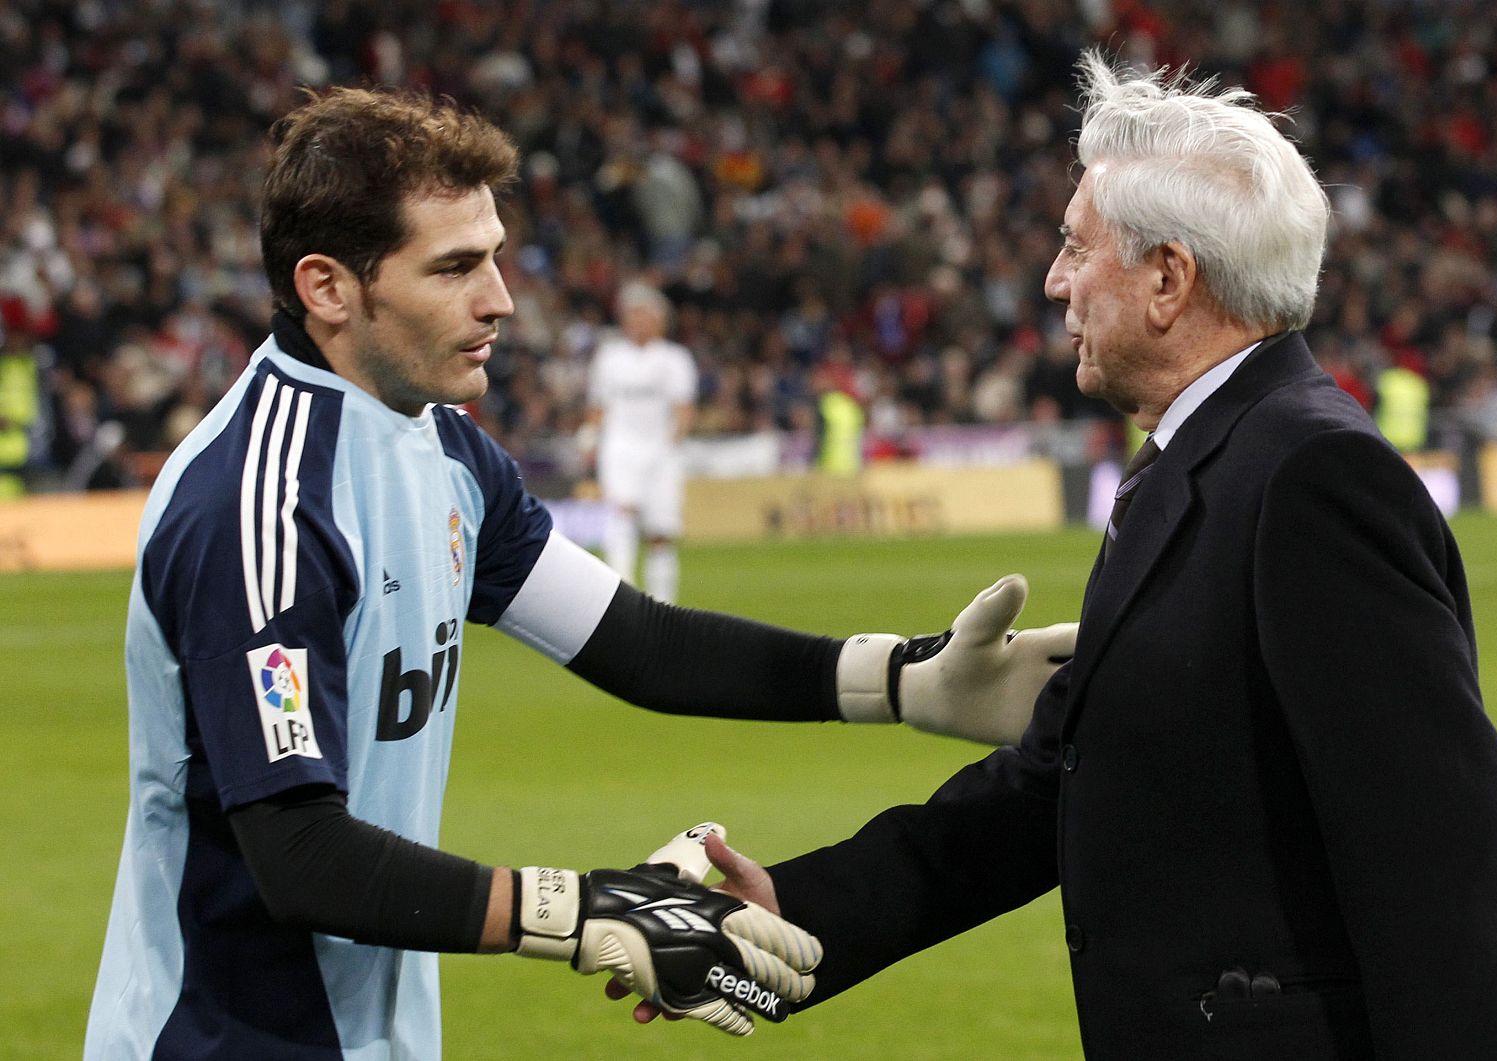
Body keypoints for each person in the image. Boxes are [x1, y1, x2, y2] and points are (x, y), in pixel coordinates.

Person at [83, 87, 1078, 1059]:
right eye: (454, 267)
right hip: (216, 1034)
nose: (500, 299)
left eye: (497, 259)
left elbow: (636, 640)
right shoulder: (260, 508)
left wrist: (898, 678)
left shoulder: (444, 453)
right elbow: (298, 855)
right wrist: (580, 908)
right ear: (327, 287)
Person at [672, 53, 1497, 1058]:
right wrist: (793, 906)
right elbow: (1051, 785)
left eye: (1075, 247)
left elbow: (1435, 848)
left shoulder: (1311, 476)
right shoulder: (1192, 463)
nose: (1053, 281)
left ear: (1168, 279)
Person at [579, 282, 696, 603]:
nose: (638, 322)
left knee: (661, 532)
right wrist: (589, 438)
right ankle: (623, 599)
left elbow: (683, 410)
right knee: (620, 519)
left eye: (645, 314)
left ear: (660, 319)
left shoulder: (675, 359)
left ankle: (663, 604)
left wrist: (669, 446)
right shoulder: (610, 357)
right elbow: (598, 407)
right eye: (633, 315)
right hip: (620, 449)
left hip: (661, 452)